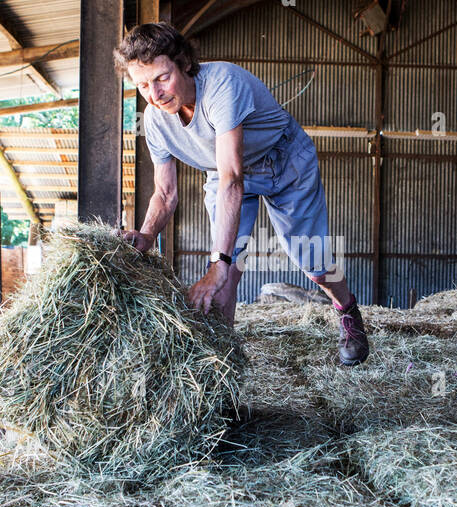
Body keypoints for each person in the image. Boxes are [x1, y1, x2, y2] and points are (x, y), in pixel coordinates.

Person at [114, 22, 370, 365]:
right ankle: (224, 368)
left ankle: (348, 310)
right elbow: (165, 192)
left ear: (185, 63)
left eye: (162, 78)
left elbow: (234, 179)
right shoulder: (156, 122)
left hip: (283, 160)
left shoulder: (223, 84)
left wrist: (218, 263)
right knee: (227, 274)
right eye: (142, 85)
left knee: (314, 263)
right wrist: (146, 234)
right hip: (223, 173)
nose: (155, 94)